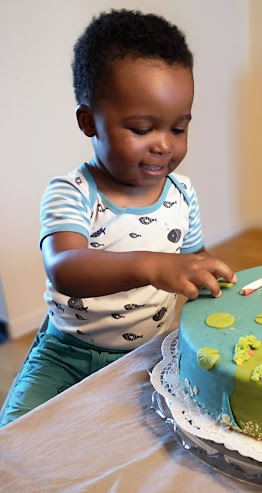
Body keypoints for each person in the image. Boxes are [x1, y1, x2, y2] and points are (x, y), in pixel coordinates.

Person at [0, 9, 236, 427]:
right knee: (15, 438)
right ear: (89, 121)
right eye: (142, 129)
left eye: (178, 129)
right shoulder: (72, 193)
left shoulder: (182, 195)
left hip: (149, 352)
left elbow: (193, 263)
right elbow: (65, 268)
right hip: (66, 353)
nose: (164, 145)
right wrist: (152, 265)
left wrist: (216, 284)